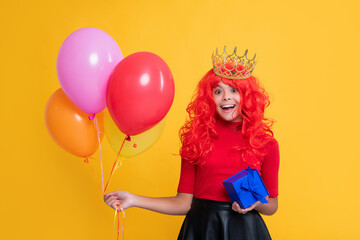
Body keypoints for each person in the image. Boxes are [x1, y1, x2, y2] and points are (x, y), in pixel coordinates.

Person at [104, 47, 280, 240]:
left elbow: (272, 206)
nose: (226, 97)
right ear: (209, 97)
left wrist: (255, 203)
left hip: (246, 231)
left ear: (247, 95)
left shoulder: (266, 144)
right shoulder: (195, 139)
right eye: (218, 91)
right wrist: (134, 199)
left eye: (234, 90)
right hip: (202, 230)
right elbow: (183, 203)